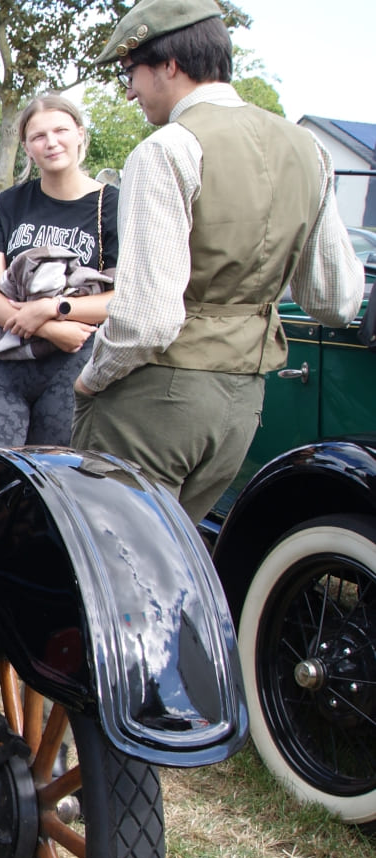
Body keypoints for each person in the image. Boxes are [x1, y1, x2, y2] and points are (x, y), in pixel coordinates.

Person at [72, 0, 364, 522]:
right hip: (243, 403)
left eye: (130, 73)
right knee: (176, 564)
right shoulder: (310, 149)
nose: (131, 90)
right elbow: (336, 299)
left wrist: (92, 378)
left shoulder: (167, 149)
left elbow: (149, 321)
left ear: (169, 65)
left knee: (113, 568)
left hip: (158, 398)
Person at [0, 94, 118, 449]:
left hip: (75, 359)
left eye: (61, 130)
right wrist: (49, 327)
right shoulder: (7, 203)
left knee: (54, 479)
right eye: (38, 136)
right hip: (6, 357)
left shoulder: (111, 205)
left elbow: (120, 299)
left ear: (80, 134)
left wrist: (53, 308)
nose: (51, 143)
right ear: (26, 147)